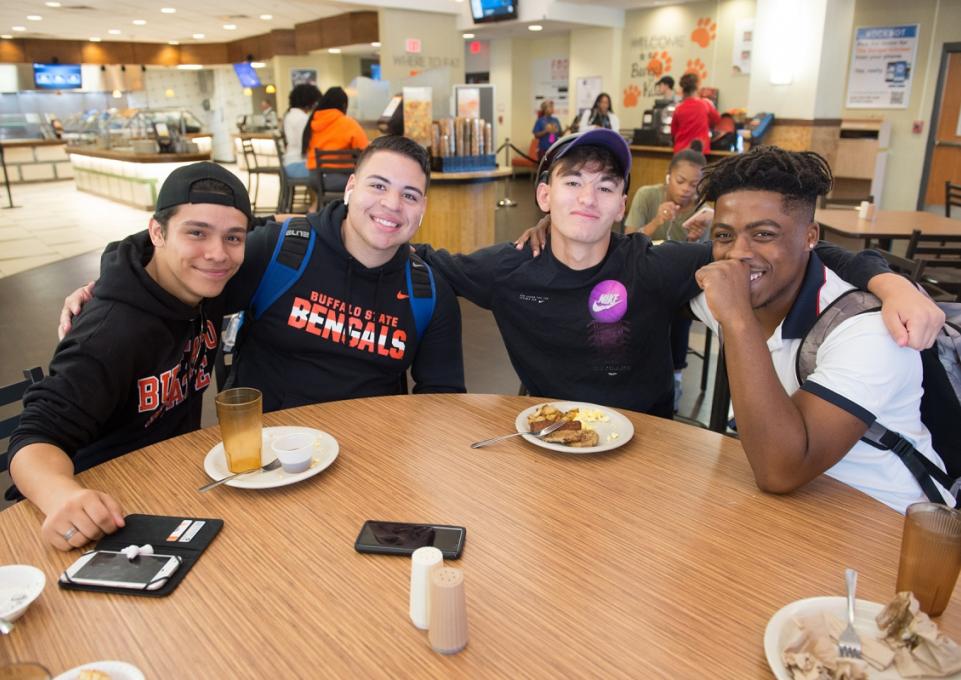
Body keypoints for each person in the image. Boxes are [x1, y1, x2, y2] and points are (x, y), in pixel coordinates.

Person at [416, 129, 940, 417]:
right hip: (545, 430)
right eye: (572, 182)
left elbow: (796, 254)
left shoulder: (653, 264)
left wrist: (888, 280)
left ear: (623, 203)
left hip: (648, 439)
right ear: (544, 196)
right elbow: (417, 258)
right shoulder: (506, 268)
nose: (587, 198)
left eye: (604, 187)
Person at [60, 136, 466, 415]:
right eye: (379, 186)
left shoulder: (428, 292)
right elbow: (187, 266)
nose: (392, 204)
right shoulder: (282, 250)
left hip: (374, 456)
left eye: (409, 195)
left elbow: (441, 404)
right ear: (351, 187)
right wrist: (115, 288)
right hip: (267, 454)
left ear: (422, 208)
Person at [690, 147, 951, 512]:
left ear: (810, 236)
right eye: (724, 235)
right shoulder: (728, 288)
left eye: (764, 234)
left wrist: (736, 319)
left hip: (891, 523)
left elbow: (780, 471)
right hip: (793, 512)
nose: (737, 254)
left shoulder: (870, 331)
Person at [7, 162, 252, 551]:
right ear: (157, 232)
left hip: (174, 485)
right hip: (102, 511)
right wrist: (62, 497)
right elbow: (33, 438)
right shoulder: (110, 332)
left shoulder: (207, 286)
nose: (217, 254)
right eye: (196, 232)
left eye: (233, 238)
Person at [624, 148, 713, 410]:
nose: (687, 190)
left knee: (676, 305)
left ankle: (674, 374)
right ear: (668, 177)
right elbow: (628, 241)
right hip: (641, 270)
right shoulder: (647, 196)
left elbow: (709, 259)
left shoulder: (703, 211)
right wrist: (655, 222)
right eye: (680, 181)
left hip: (680, 281)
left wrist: (696, 242)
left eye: (695, 185)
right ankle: (632, 365)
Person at [304, 86, 370, 196]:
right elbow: (365, 150)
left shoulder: (312, 122)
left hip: (314, 178)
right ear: (344, 105)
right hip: (338, 179)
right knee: (366, 184)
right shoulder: (348, 123)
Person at [671, 73, 719, 153]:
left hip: (681, 151)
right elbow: (717, 121)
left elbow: (673, 133)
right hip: (700, 151)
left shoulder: (678, 108)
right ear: (697, 87)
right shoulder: (705, 104)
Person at [282, 83, 322, 179]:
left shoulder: (291, 114)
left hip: (291, 163)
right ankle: (318, 194)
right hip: (298, 164)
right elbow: (305, 145)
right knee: (327, 173)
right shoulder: (302, 118)